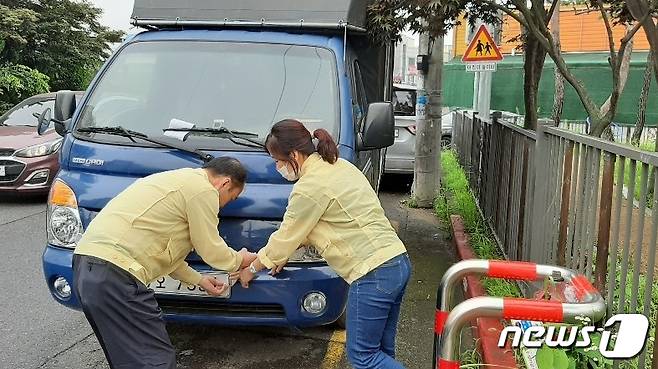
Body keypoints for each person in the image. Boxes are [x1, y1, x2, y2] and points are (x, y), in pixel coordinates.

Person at [239, 120, 411, 369]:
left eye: (277, 160)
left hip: (372, 272)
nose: (277, 167)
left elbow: (286, 236)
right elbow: (312, 229)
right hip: (396, 262)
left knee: (364, 357)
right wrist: (281, 255)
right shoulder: (340, 166)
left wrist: (252, 268)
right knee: (381, 352)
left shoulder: (309, 187)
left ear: (294, 155)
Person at [73, 157, 257, 369]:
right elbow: (210, 248)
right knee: (155, 359)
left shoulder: (173, 181)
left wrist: (199, 280)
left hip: (88, 267)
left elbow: (165, 253)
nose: (223, 205)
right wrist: (240, 259)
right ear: (224, 183)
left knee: (129, 360)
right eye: (230, 198)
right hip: (115, 274)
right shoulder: (203, 189)